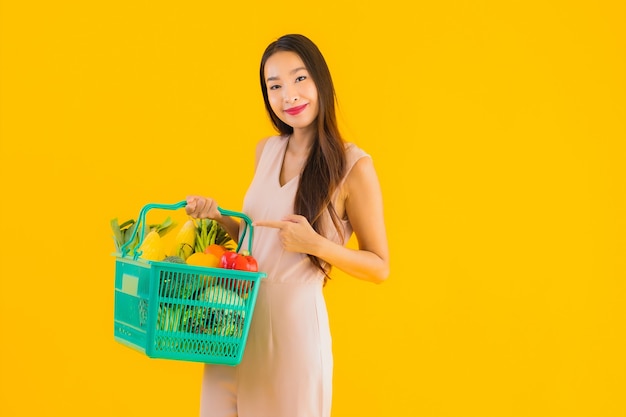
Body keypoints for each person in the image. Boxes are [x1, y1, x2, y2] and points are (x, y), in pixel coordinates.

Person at [185, 33, 389, 417]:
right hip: (233, 327)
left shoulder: (353, 167)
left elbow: (380, 266)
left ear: (320, 81)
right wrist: (217, 217)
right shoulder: (266, 150)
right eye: (274, 86)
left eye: (299, 79)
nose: (288, 95)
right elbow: (257, 238)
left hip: (292, 335)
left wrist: (317, 245)